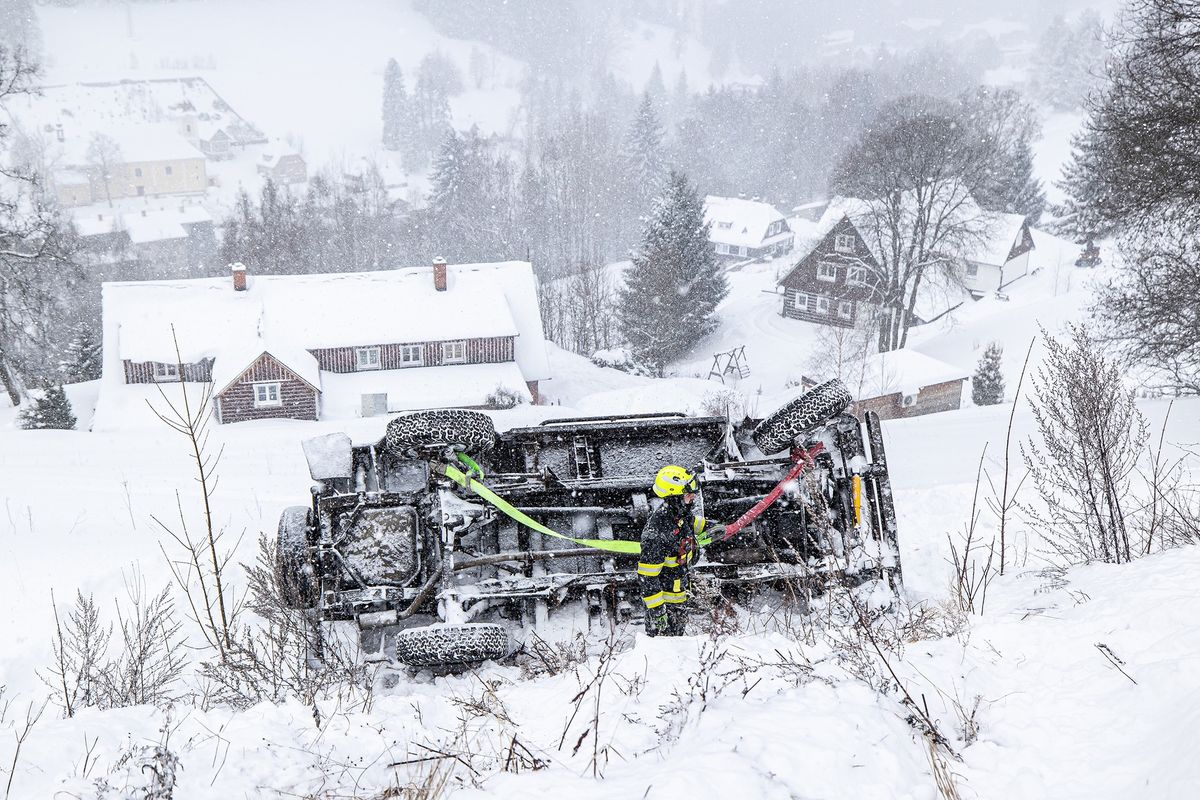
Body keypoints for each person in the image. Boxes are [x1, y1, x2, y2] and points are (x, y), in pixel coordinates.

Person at [637, 465, 724, 637]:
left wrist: (713, 527)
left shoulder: (677, 515)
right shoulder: (656, 533)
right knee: (665, 647)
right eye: (688, 494)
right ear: (674, 497)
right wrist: (657, 611)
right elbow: (647, 577)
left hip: (678, 597)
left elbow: (691, 523)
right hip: (666, 606)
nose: (692, 497)